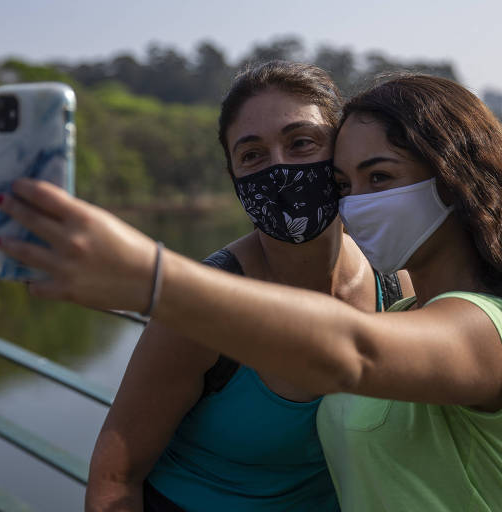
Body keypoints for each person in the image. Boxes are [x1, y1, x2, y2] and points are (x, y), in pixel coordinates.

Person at [0, 73, 502, 511]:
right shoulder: (417, 305)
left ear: (456, 181)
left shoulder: (487, 328)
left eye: (379, 175)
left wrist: (151, 276)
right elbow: (116, 474)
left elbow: (350, 354)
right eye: (347, 183)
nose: (357, 200)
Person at [81, 61, 410, 512]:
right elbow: (114, 478)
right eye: (252, 154)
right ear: (233, 176)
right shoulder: (201, 309)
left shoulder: (392, 279)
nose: (279, 168)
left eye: (301, 143)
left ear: (341, 153)